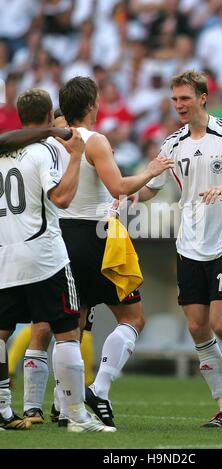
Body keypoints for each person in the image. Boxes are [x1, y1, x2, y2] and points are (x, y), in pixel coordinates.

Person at [0, 76, 173, 431]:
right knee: (132, 317)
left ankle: (40, 406)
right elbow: (118, 187)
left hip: (53, 236)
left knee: (54, 325)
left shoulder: (49, 144)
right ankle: (91, 395)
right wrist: (152, 171)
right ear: (93, 104)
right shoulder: (91, 141)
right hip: (93, 236)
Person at [139, 70, 222, 428]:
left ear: (202, 97)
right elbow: (149, 188)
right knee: (198, 328)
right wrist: (127, 188)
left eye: (184, 98)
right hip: (189, 245)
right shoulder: (173, 142)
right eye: (174, 99)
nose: (178, 105)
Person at [0, 88, 113, 433]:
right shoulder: (46, 148)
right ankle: (76, 414)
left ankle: (5, 408)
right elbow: (62, 198)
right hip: (45, 255)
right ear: (51, 116)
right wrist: (76, 157)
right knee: (67, 332)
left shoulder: (3, 152)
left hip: (6, 257)